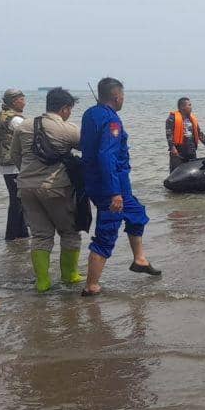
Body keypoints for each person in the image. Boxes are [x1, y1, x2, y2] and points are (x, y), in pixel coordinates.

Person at [80, 77, 161, 296]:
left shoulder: (90, 114)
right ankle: (91, 286)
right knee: (106, 233)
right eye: (122, 96)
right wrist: (114, 192)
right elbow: (106, 156)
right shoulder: (111, 121)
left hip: (106, 183)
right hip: (110, 186)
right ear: (116, 97)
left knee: (137, 214)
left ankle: (139, 259)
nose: (123, 100)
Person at [10, 87, 83, 292]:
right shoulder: (68, 129)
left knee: (41, 236)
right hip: (56, 189)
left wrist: (30, 174)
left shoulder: (24, 126)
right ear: (65, 108)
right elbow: (89, 148)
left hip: (26, 188)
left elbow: (15, 156)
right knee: (70, 232)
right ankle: (70, 275)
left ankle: (42, 282)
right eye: (70, 109)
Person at [0, 88, 30, 241]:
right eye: (22, 99)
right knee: (17, 201)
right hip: (15, 165)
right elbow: (31, 136)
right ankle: (12, 236)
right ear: (14, 101)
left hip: (5, 164)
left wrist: (2, 146)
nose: (24, 102)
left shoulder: (0, 116)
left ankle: (21, 235)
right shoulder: (15, 120)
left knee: (18, 199)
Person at [166, 97, 205, 172]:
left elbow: (199, 133)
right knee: (176, 173)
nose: (191, 107)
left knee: (191, 171)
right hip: (178, 151)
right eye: (189, 105)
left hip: (191, 149)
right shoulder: (172, 118)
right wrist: (172, 147)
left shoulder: (192, 118)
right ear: (182, 107)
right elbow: (169, 134)